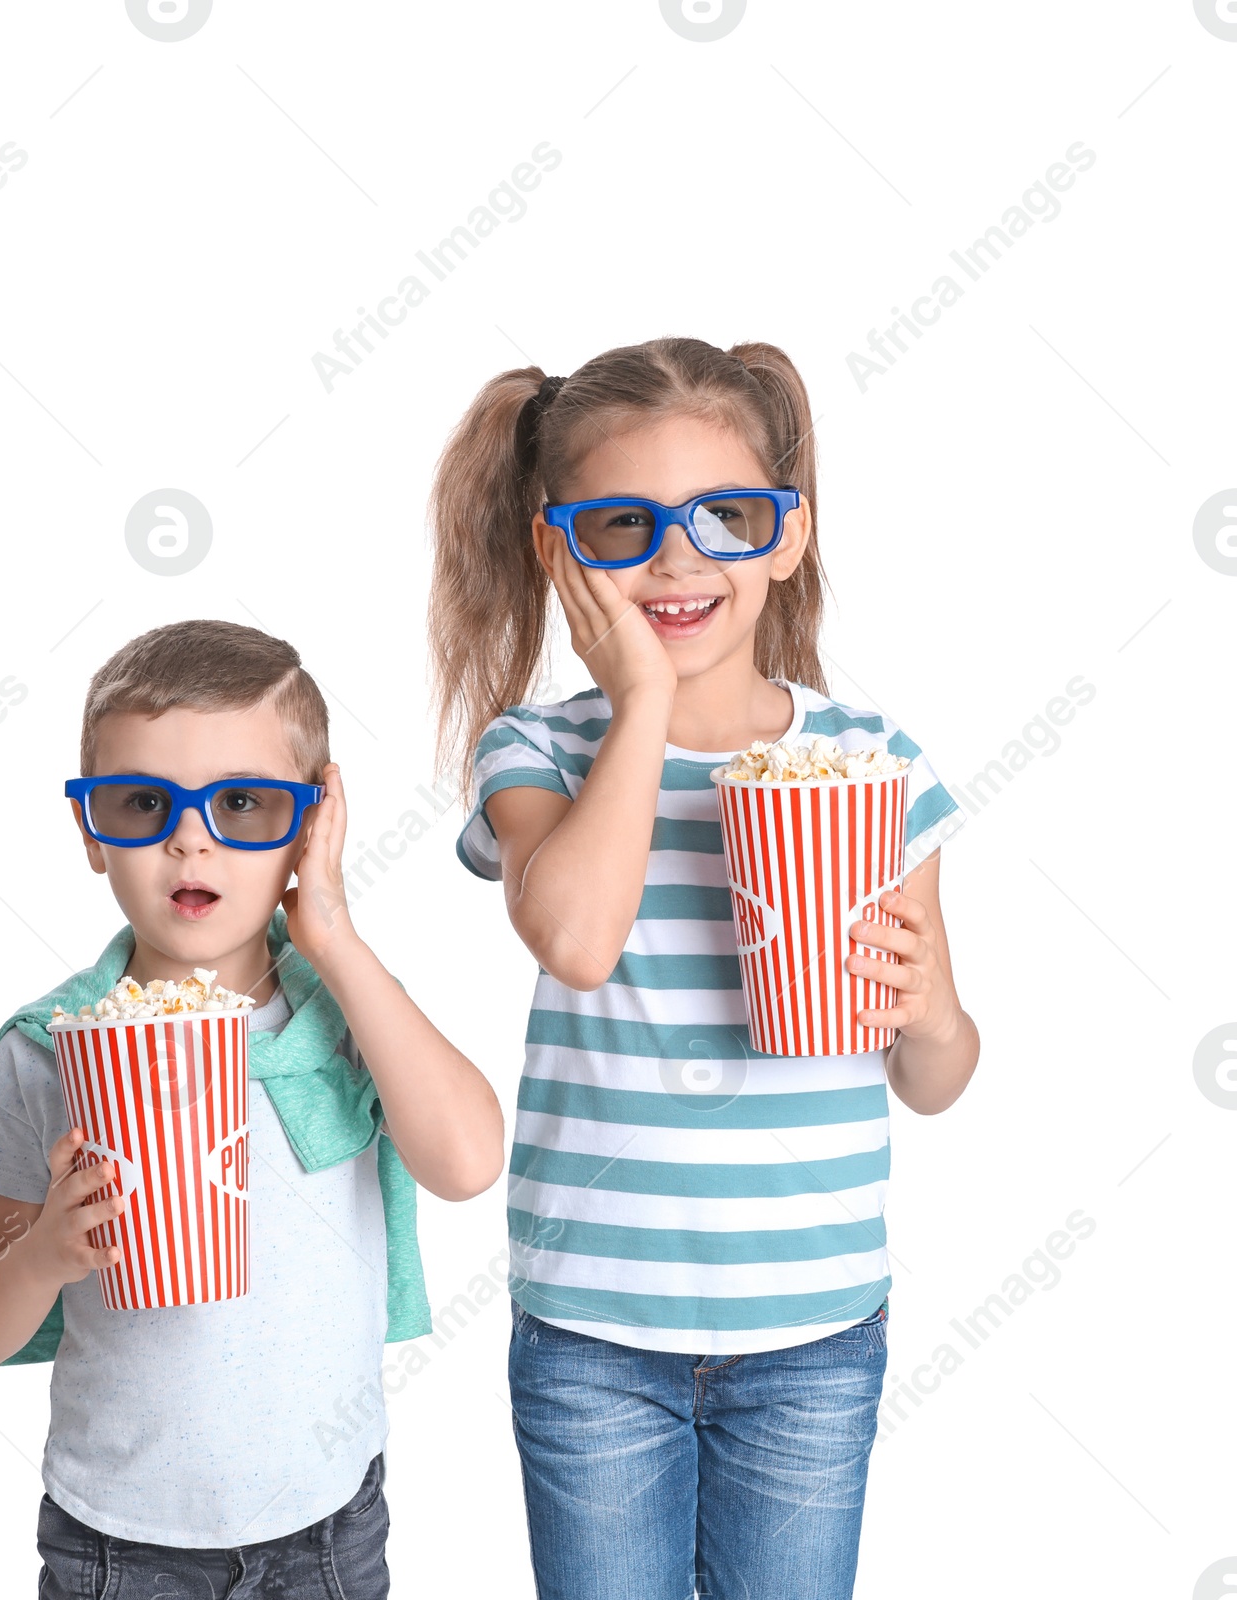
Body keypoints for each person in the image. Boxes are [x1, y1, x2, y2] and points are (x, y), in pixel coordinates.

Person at [428, 337, 979, 1600]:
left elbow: (933, 1078)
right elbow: (574, 936)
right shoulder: (540, 752)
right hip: (591, 1331)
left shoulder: (869, 757)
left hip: (814, 1328)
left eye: (725, 515)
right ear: (558, 551)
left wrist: (935, 1008)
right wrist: (636, 704)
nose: (678, 558)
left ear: (785, 536)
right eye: (622, 526)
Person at [0, 619, 504, 1599]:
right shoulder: (46, 1052)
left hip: (328, 1524)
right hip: (117, 1541)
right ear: (87, 828)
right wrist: (41, 1256)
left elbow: (466, 1162)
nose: (188, 835)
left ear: (312, 820)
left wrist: (330, 931)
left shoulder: (350, 1019)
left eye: (243, 803)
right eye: (141, 802)